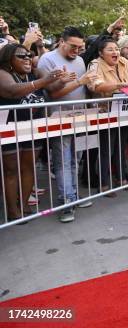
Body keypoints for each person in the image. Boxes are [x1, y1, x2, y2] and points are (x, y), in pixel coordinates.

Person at [37, 27, 98, 222]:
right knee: (63, 160)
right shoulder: (47, 60)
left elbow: (82, 87)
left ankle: (72, 194)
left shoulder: (80, 60)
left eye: (81, 47)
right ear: (61, 42)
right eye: (73, 46)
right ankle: (65, 201)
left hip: (80, 117)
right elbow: (53, 94)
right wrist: (80, 81)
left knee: (75, 159)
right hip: (59, 118)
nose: (78, 51)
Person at [0, 43, 65, 222]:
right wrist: (45, 81)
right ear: (9, 60)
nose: (28, 58)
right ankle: (12, 210)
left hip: (33, 128)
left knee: (29, 167)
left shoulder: (34, 72)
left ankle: (24, 204)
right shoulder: (3, 73)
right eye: (21, 56)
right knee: (11, 170)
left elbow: (53, 86)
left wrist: (64, 79)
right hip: (9, 129)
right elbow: (11, 91)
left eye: (29, 55)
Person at [87, 39, 128, 197]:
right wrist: (122, 85)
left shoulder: (124, 62)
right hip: (105, 112)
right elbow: (96, 86)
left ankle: (122, 179)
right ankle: (103, 184)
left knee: (121, 146)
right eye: (110, 50)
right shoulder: (95, 64)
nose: (115, 52)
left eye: (117, 49)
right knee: (106, 149)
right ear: (100, 53)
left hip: (124, 110)